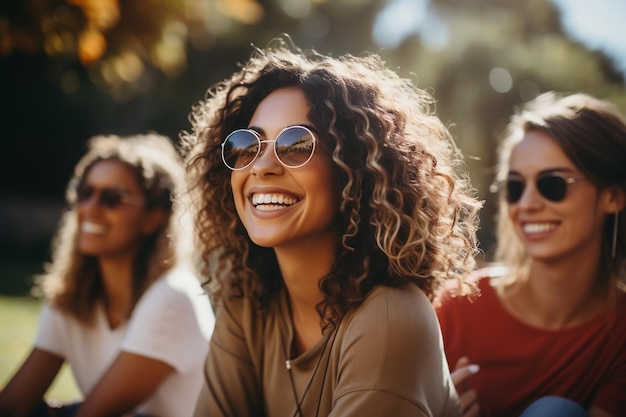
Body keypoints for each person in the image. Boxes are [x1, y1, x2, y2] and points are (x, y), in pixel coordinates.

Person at [180, 35, 482, 417]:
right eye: (248, 144)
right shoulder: (248, 309)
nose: (261, 166)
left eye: (295, 144)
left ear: (354, 170)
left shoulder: (390, 319)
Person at [435, 92, 626, 417]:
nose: (527, 204)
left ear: (612, 197)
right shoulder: (457, 308)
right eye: (515, 186)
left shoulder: (620, 332)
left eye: (552, 184)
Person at [0, 133, 215, 417]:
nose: (90, 207)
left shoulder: (173, 296)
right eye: (84, 192)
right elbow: (15, 405)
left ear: (153, 217)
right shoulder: (72, 297)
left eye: (112, 198)